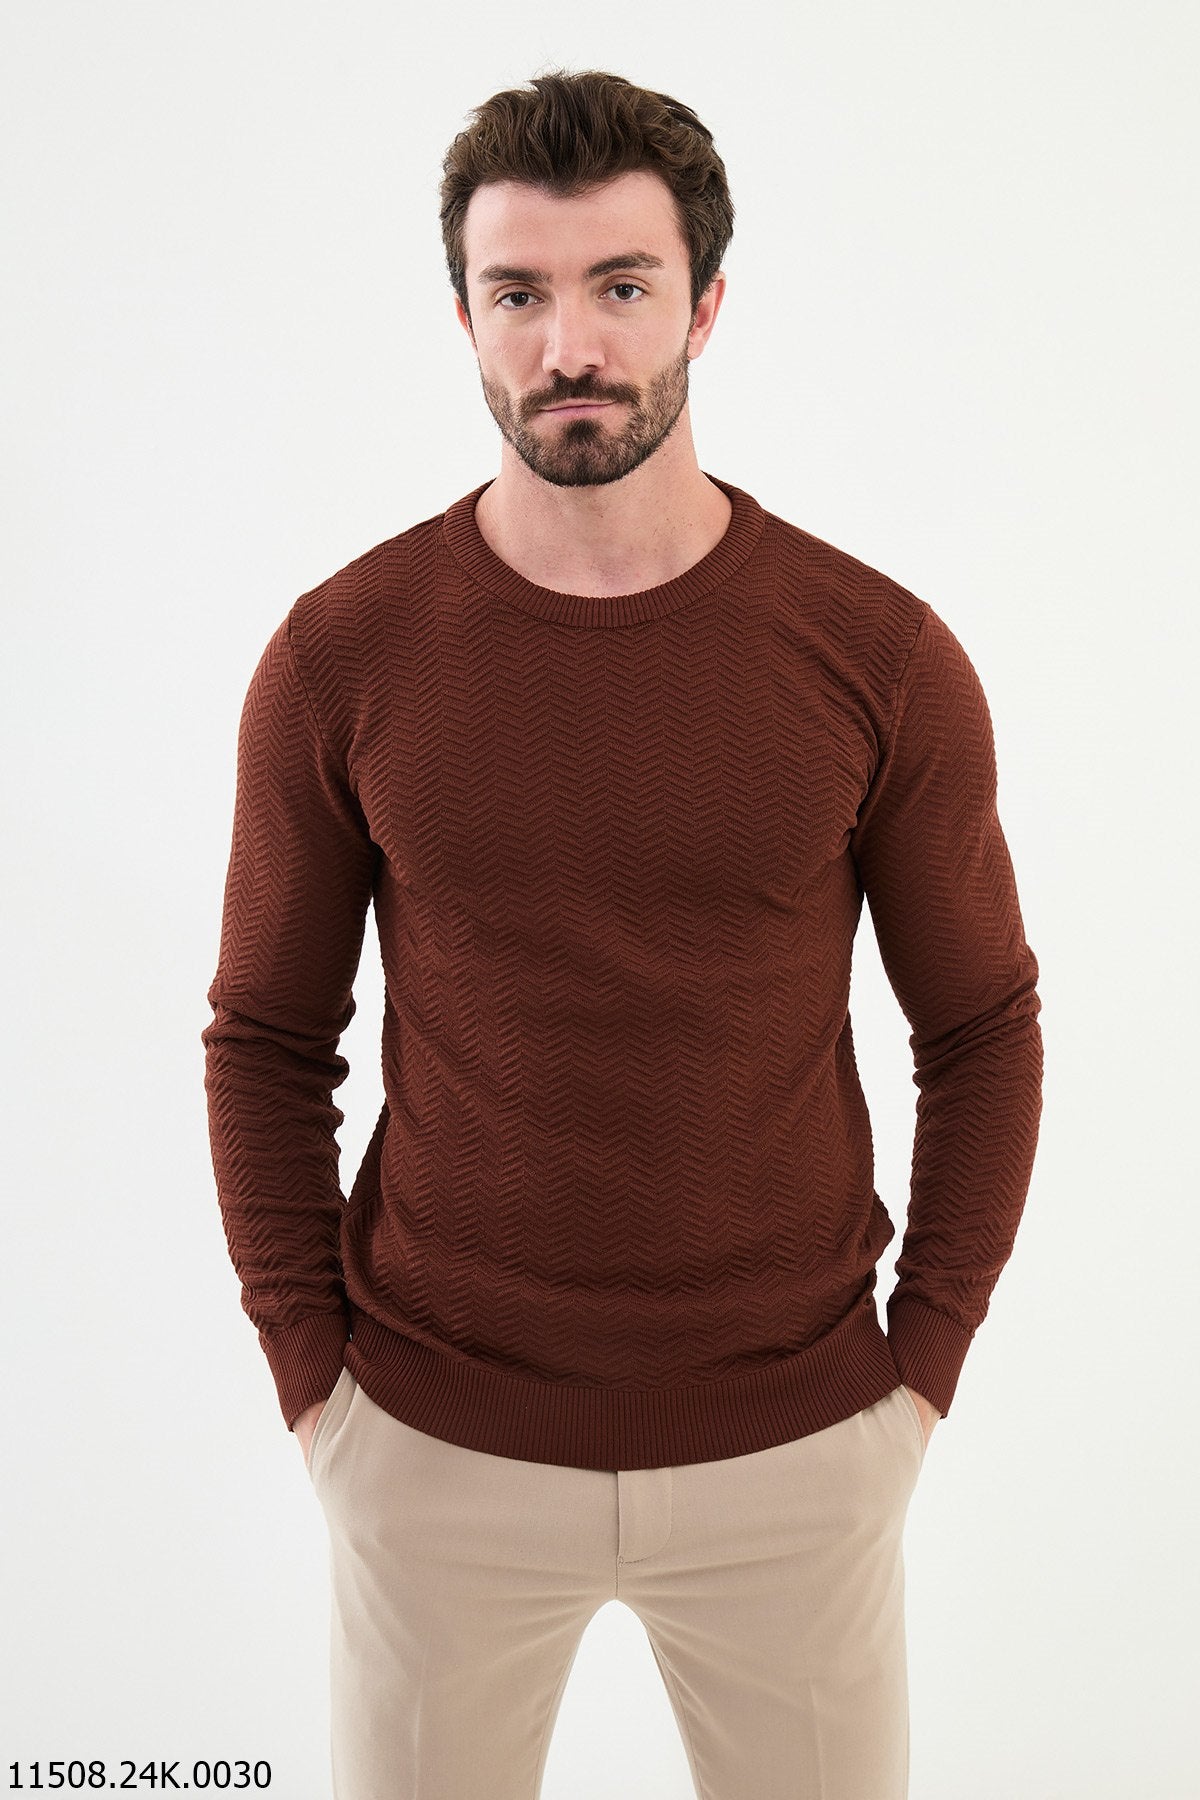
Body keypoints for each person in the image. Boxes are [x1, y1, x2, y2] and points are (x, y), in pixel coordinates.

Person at [201, 66, 1043, 1800]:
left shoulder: (877, 658)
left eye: (622, 287)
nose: (569, 344)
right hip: (431, 1445)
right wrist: (314, 1387)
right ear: (464, 317)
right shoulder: (342, 657)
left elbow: (981, 1030)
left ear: (706, 305)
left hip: (799, 1448)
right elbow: (266, 1043)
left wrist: (921, 1374)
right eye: (518, 293)